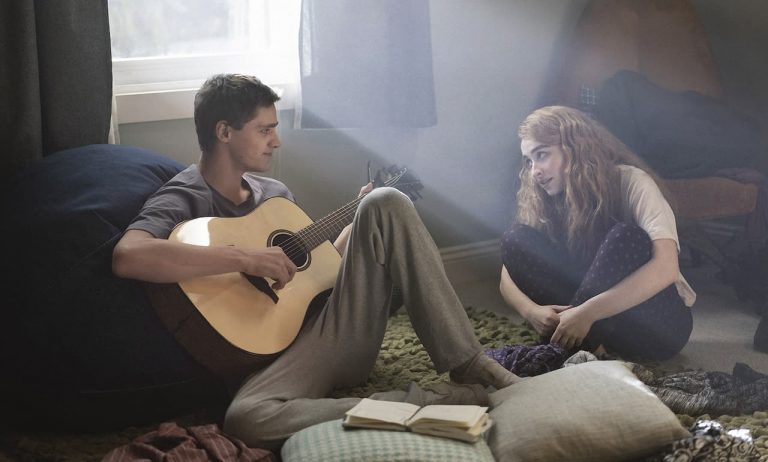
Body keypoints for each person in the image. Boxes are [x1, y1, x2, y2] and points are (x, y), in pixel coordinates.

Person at [112, 73, 519, 449]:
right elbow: (129, 256)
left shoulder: (273, 192)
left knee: (385, 201)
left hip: (332, 332)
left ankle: (470, 363)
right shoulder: (183, 196)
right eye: (265, 130)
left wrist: (363, 218)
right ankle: (426, 402)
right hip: (276, 364)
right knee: (246, 419)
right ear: (224, 132)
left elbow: (320, 272)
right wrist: (245, 258)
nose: (276, 141)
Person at [499, 105, 695, 361]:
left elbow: (666, 268)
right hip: (598, 327)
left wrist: (587, 313)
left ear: (574, 148)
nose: (535, 171)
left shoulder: (632, 182)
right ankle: (584, 349)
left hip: (658, 329)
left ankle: (561, 352)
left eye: (542, 155)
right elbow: (506, 273)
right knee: (515, 238)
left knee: (626, 236)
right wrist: (531, 311)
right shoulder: (545, 199)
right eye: (529, 161)